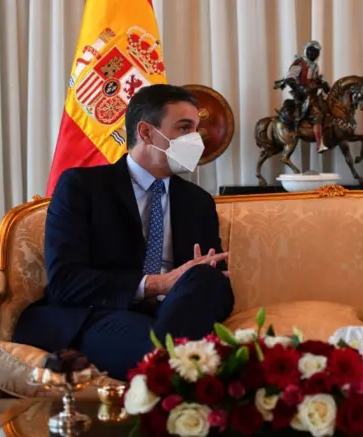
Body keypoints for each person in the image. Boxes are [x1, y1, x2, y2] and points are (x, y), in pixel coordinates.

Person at [13, 84, 234, 380]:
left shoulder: (198, 202)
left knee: (206, 278)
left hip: (175, 314)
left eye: (196, 129)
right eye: (184, 128)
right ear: (145, 132)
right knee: (163, 350)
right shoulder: (82, 187)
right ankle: (172, 364)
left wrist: (199, 280)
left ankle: (166, 365)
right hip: (102, 314)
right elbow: (66, 282)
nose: (196, 140)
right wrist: (156, 284)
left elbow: (216, 289)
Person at [274, 40, 330, 153]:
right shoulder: (299, 63)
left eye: (315, 52)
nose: (312, 54)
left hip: (313, 93)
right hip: (301, 95)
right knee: (317, 114)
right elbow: (289, 78)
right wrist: (301, 88)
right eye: (310, 51)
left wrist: (324, 84)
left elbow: (316, 78)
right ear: (306, 51)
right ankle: (320, 144)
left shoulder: (315, 66)